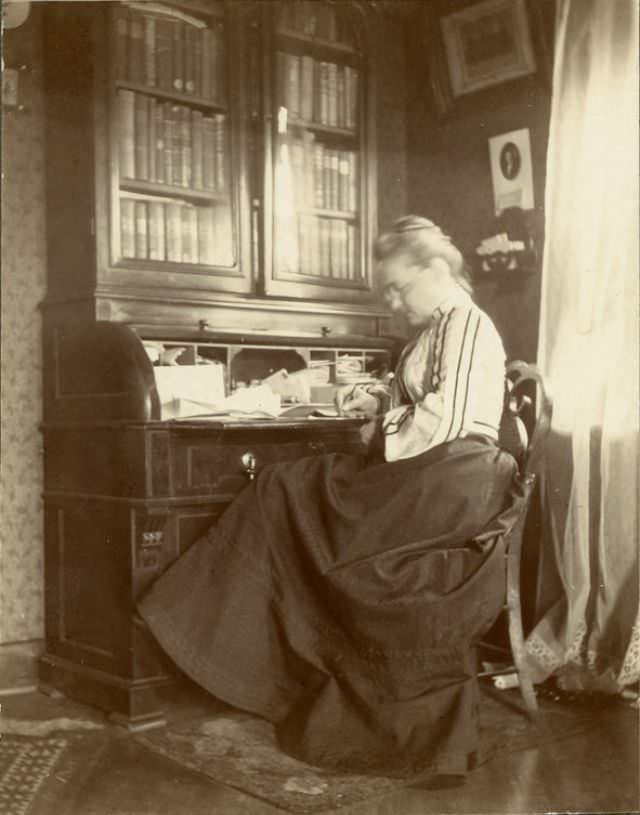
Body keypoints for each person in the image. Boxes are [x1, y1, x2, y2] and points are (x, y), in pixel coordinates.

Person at [138, 215, 518, 778]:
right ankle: (234, 656)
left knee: (285, 487)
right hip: (431, 472)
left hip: (452, 481)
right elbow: (413, 398)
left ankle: (205, 640)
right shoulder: (434, 330)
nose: (391, 300)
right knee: (288, 487)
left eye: (399, 286)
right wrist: (373, 405)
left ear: (436, 269)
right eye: (385, 290)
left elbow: (449, 419)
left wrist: (380, 430)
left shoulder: (465, 321)